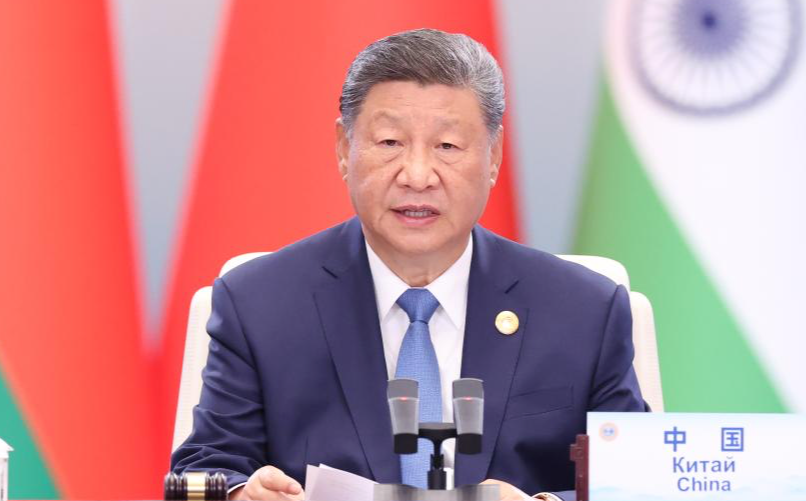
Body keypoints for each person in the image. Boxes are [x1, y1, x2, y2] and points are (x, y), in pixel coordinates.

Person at [170, 28, 647, 501]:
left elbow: (640, 485)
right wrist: (239, 495)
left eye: (447, 147)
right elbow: (202, 472)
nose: (417, 176)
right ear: (344, 149)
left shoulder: (585, 310)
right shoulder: (259, 304)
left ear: (494, 156)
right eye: (389, 142)